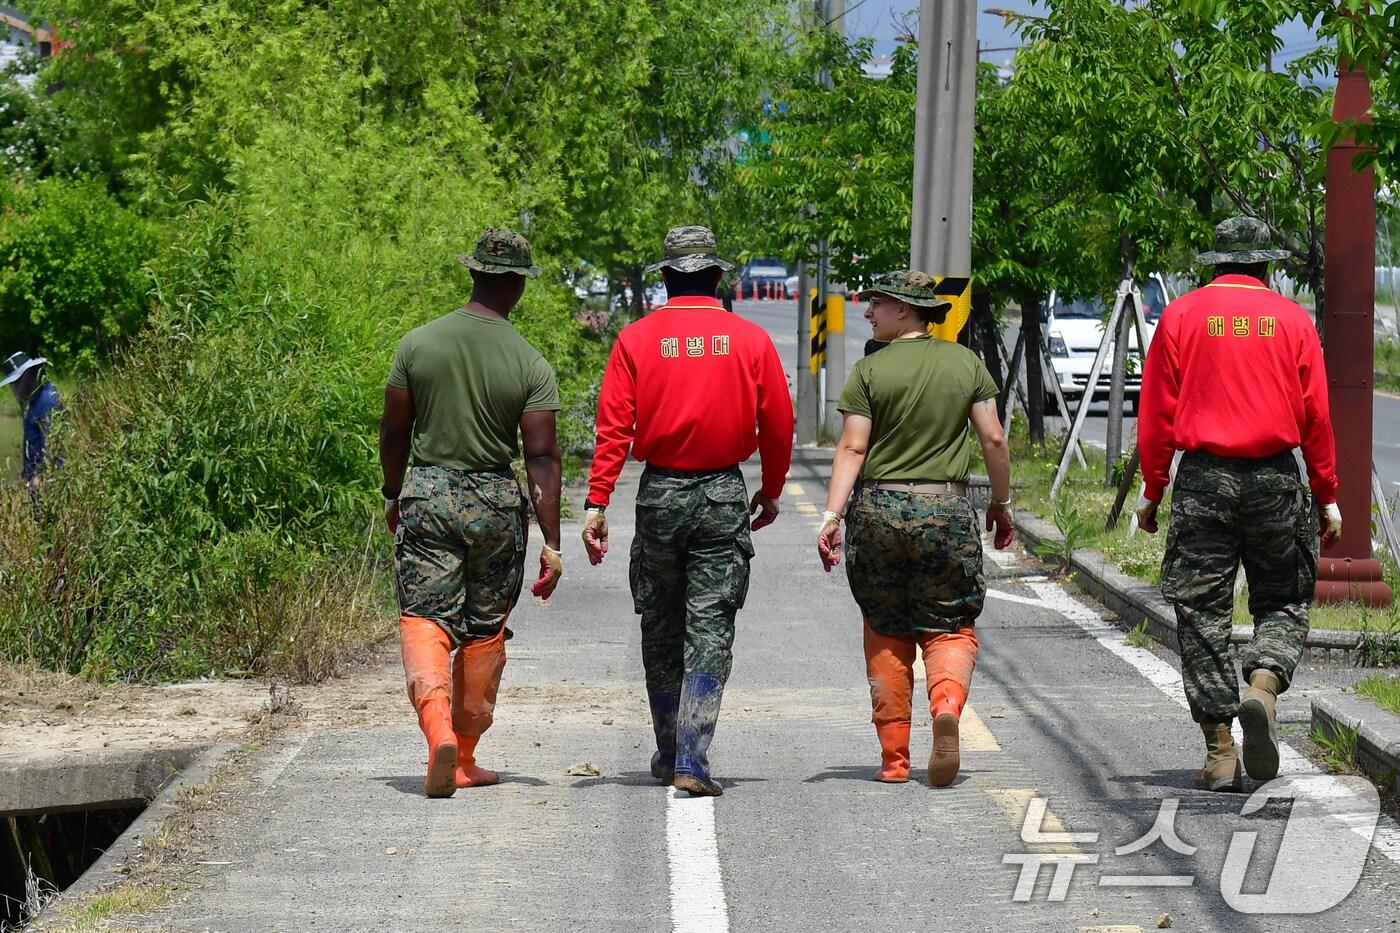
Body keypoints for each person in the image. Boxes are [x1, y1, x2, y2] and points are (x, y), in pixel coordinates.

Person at [582, 225, 794, 797]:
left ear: (666, 278)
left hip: (659, 495)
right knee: (710, 625)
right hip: (723, 495)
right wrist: (771, 488)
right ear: (718, 277)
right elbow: (778, 423)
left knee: (660, 622)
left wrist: (597, 502)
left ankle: (669, 746)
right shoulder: (749, 340)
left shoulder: (636, 339)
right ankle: (691, 760)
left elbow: (613, 429)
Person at [1136, 215, 1340, 793]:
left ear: (1217, 263)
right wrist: (1326, 495)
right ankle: (1264, 687)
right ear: (1265, 264)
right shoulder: (1293, 319)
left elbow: (1156, 414)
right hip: (1276, 479)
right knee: (1283, 597)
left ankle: (1220, 751)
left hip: (1203, 481)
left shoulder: (1179, 316)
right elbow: (1317, 417)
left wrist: (1154, 490)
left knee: (1201, 613)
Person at [380, 227, 564, 798]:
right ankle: (463, 754)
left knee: (425, 616)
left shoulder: (418, 344)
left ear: (474, 274)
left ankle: (434, 728)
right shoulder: (529, 363)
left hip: (429, 495)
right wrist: (553, 543)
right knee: (484, 631)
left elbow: (394, 429)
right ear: (517, 285)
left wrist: (393, 493)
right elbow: (541, 458)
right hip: (495, 507)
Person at [816, 270, 1013, 787]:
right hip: (944, 511)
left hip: (877, 510)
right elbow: (993, 439)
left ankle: (894, 759)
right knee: (949, 623)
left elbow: (853, 448)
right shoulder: (966, 363)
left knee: (886, 626)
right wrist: (1001, 503)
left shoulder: (869, 370)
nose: (867, 313)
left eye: (876, 304)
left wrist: (832, 516)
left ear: (904, 309)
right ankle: (946, 707)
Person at [2, 352, 62, 489]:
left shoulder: (48, 400)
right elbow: (33, 442)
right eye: (13, 384)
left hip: (46, 484)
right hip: (34, 482)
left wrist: (41, 475)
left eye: (17, 382)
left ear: (29, 375)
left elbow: (53, 443)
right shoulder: (34, 400)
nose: (15, 388)